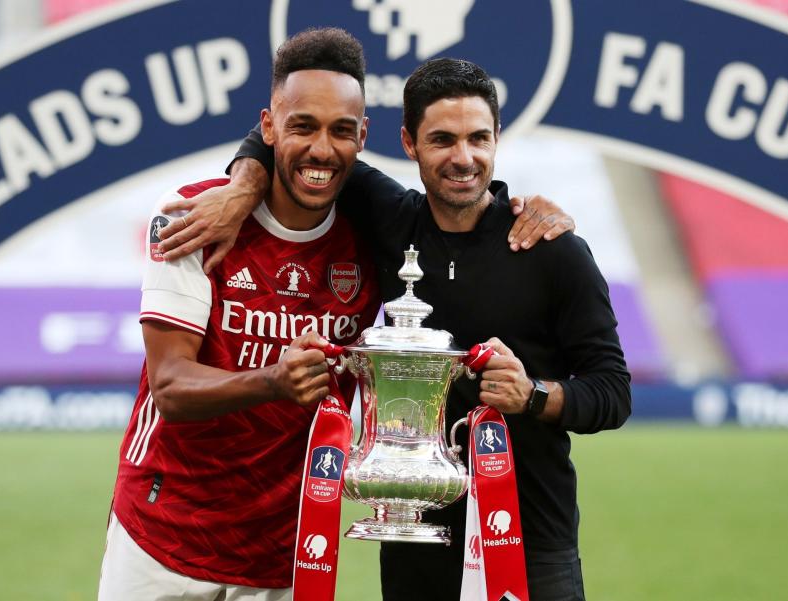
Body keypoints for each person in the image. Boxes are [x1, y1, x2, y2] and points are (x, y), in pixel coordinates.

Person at [161, 57, 632, 600]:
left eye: (479, 138)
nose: (464, 158)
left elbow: (613, 392)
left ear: (498, 137)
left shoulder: (553, 250)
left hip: (527, 538)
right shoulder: (388, 216)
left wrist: (534, 396)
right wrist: (242, 191)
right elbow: (280, 137)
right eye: (442, 140)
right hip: (412, 533)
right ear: (408, 143)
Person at [97, 28, 382, 600]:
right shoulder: (193, 214)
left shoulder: (378, 238)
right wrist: (275, 380)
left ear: (362, 136)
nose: (322, 149)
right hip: (163, 534)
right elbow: (171, 386)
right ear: (269, 127)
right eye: (302, 125)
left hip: (286, 549)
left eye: (341, 130)